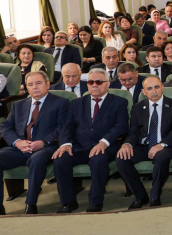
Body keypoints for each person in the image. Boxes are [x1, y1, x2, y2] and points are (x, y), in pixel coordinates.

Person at [0, 70, 70, 215]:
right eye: (30, 84)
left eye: (38, 83)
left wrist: (43, 142)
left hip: (46, 148)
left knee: (36, 159)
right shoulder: (18, 105)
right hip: (20, 148)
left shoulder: (61, 103)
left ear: (47, 84)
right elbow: (5, 127)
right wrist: (17, 142)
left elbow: (63, 127)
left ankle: (31, 203)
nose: (34, 87)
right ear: (26, 88)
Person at [51, 69, 129, 213]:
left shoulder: (119, 102)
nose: (94, 85)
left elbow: (121, 126)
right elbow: (67, 127)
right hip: (80, 146)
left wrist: (104, 142)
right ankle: (68, 202)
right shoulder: (76, 103)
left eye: (99, 82)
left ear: (108, 84)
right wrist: (66, 144)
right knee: (60, 158)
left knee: (98, 160)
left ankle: (95, 201)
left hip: (105, 146)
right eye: (91, 82)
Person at [115, 75, 172, 208]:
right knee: (121, 158)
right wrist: (127, 144)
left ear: (162, 88)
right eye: (149, 88)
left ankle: (155, 196)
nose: (154, 91)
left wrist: (161, 145)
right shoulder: (137, 108)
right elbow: (134, 131)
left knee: (161, 158)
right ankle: (140, 196)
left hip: (165, 146)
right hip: (143, 145)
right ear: (143, 92)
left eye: (157, 87)